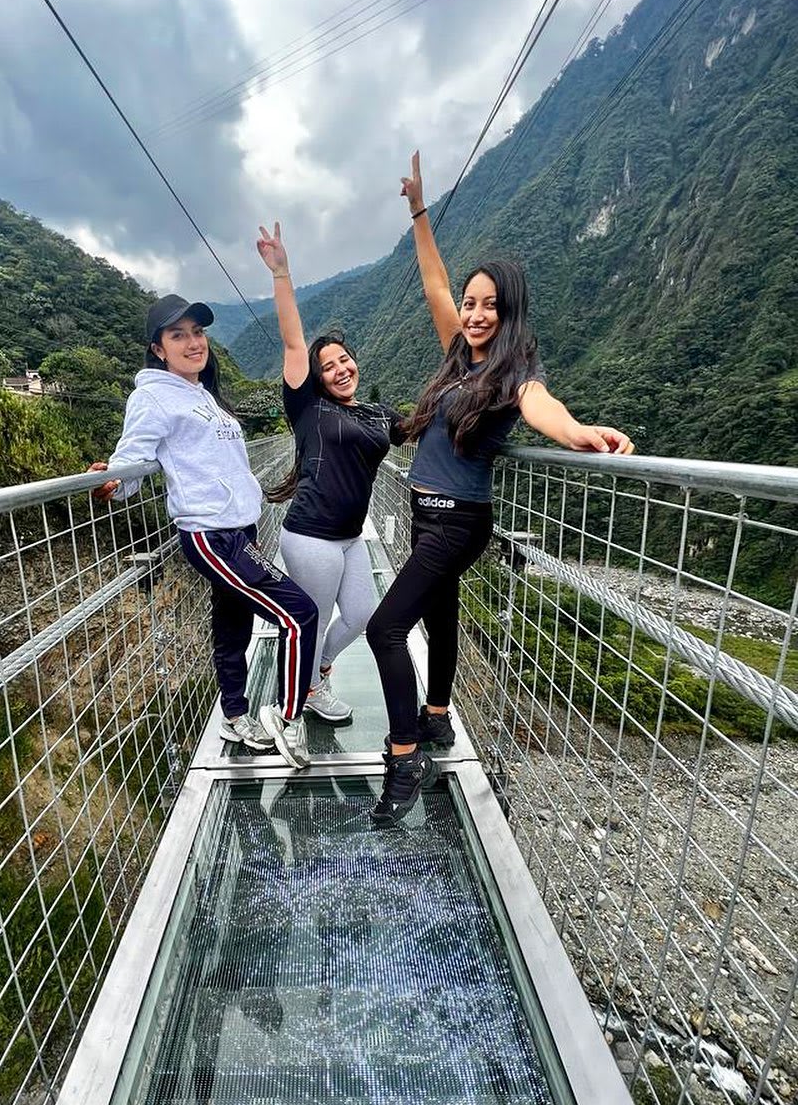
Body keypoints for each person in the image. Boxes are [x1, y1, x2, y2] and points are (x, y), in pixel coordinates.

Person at [367, 153, 635, 825]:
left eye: (489, 304)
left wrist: (578, 433)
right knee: (441, 614)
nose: (476, 313)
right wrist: (418, 210)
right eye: (471, 302)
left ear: (509, 309)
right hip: (425, 512)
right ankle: (434, 718)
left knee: (385, 626)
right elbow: (432, 281)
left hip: (459, 519)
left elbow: (542, 405)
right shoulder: (459, 354)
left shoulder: (517, 368)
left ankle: (405, 757)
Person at [90, 293, 318, 770]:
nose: (193, 343)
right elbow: (134, 457)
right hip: (211, 534)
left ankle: (234, 715)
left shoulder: (203, 395)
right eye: (179, 335)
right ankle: (288, 716)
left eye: (197, 333)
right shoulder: (151, 395)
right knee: (298, 613)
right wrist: (113, 481)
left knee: (233, 626)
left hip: (241, 529)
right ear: (158, 348)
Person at [256, 222, 407, 724]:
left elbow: (425, 426)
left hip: (350, 536)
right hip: (312, 536)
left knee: (362, 615)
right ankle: (291, 710)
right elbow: (294, 344)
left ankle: (317, 673)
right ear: (317, 378)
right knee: (311, 622)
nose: (340, 369)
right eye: (329, 366)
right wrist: (282, 273)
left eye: (346, 360)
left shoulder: (376, 414)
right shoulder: (309, 410)